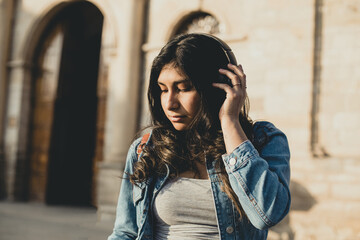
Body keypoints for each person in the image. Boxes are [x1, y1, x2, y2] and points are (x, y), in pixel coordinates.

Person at [108, 33, 291, 240]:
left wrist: (229, 121)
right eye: (163, 90)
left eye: (184, 88)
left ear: (218, 87)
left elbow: (267, 214)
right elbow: (126, 232)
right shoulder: (147, 149)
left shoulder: (263, 140)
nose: (170, 103)